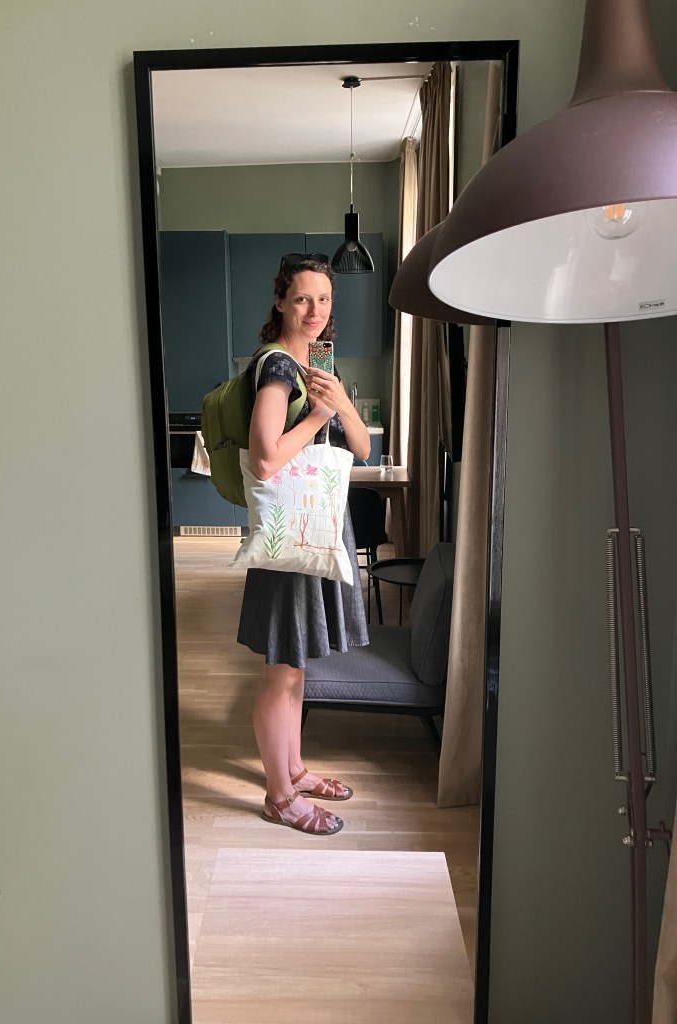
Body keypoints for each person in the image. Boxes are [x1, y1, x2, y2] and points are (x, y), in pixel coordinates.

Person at [237, 254, 371, 835]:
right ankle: (278, 797)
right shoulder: (276, 367)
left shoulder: (318, 362)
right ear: (280, 302)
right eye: (301, 299)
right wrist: (318, 415)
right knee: (281, 669)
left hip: (318, 530)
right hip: (291, 533)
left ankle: (293, 770)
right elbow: (266, 458)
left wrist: (337, 403)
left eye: (323, 300)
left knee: (298, 668)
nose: (314, 311)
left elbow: (362, 449)